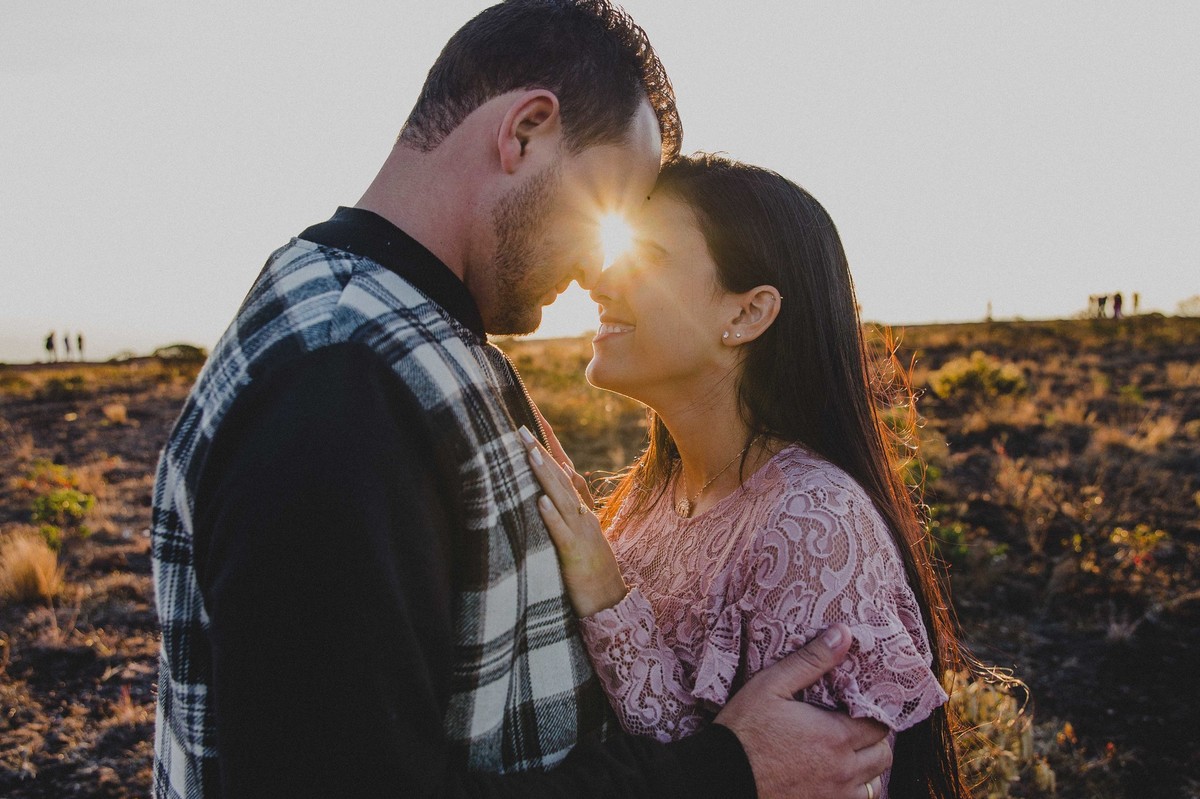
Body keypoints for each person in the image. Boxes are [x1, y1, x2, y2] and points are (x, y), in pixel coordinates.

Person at [149, 3, 891, 798]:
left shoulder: (405, 342)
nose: (596, 267)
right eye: (606, 201)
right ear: (526, 131)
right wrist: (721, 772)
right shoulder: (338, 384)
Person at [523, 154, 966, 798]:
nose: (601, 279)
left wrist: (604, 595)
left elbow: (800, 780)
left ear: (748, 314)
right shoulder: (653, 492)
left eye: (647, 257)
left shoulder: (813, 523)